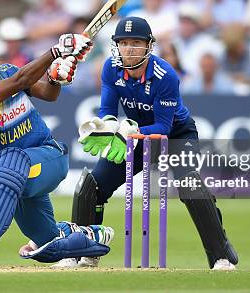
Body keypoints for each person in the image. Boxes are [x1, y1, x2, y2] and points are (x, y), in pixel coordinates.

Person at [60, 17, 238, 270]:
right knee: (91, 185)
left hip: (176, 135)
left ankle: (221, 256)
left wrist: (129, 130)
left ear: (148, 46)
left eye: (136, 43)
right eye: (123, 43)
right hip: (134, 136)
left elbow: (163, 127)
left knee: (190, 185)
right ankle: (82, 253)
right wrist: (105, 129)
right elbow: (107, 112)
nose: (129, 48)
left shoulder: (165, 75)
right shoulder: (111, 68)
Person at [0, 30, 113, 266]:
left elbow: (48, 93)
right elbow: (21, 81)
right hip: (17, 177)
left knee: (9, 159)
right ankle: (85, 236)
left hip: (49, 157)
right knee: (47, 244)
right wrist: (55, 53)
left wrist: (55, 79)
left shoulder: (7, 71)